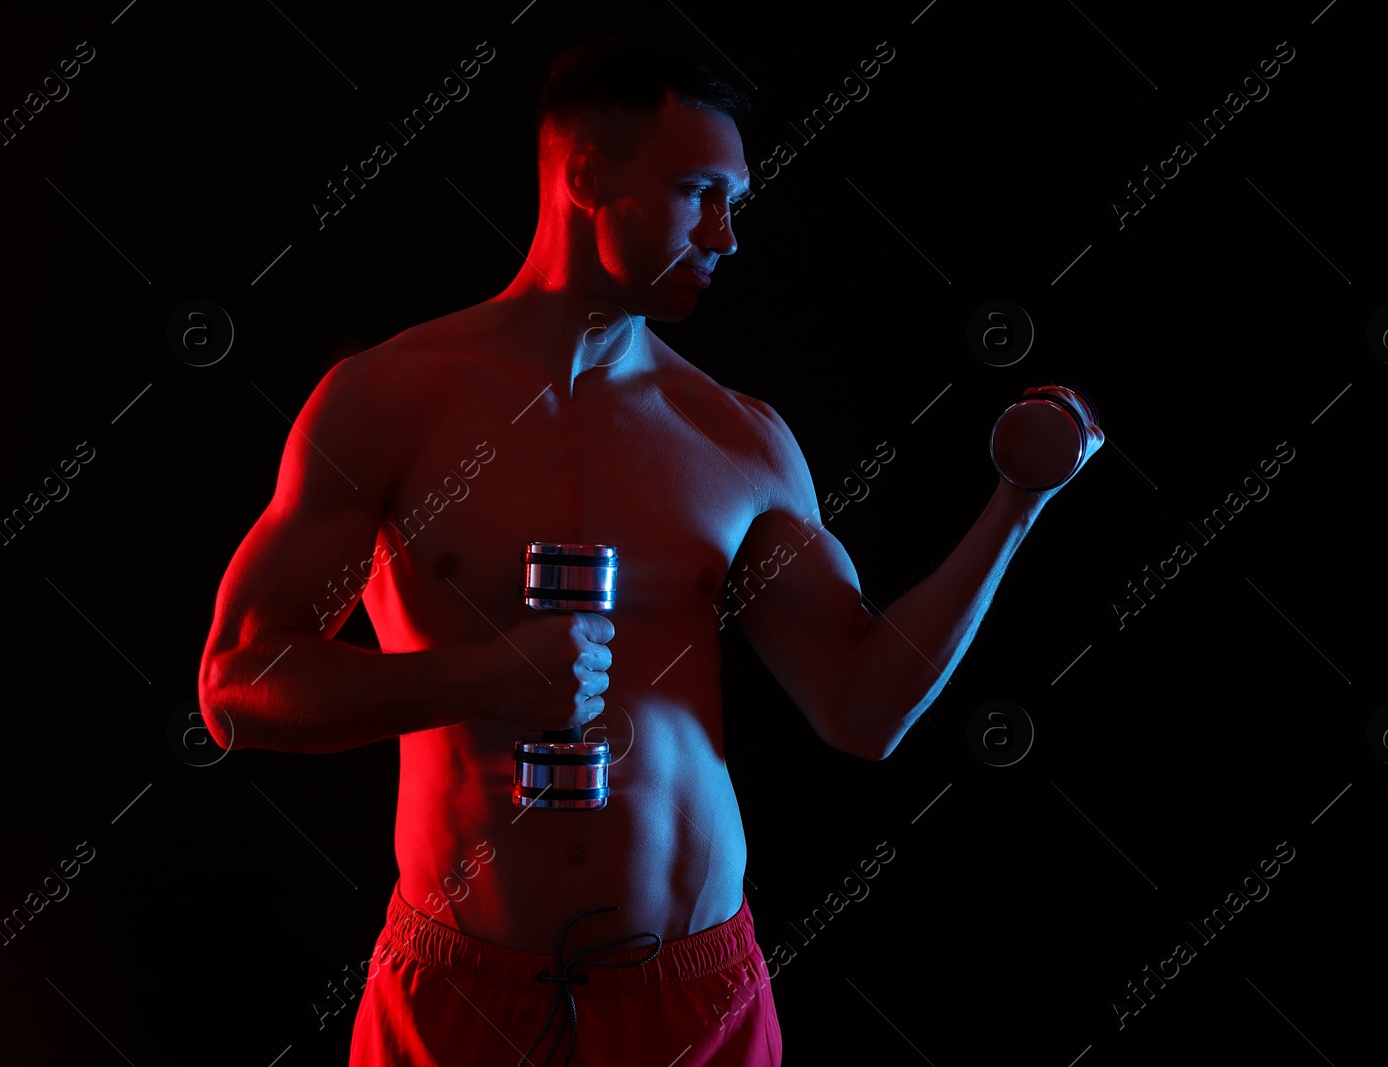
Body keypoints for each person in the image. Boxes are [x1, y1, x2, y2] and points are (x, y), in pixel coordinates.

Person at [197, 33, 1099, 1067]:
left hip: (692, 1000)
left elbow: (862, 707)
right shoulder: (390, 400)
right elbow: (236, 686)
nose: (725, 233)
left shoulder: (736, 436)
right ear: (586, 174)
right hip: (461, 995)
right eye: (696, 191)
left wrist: (1019, 503)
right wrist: (481, 678)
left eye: (733, 201)